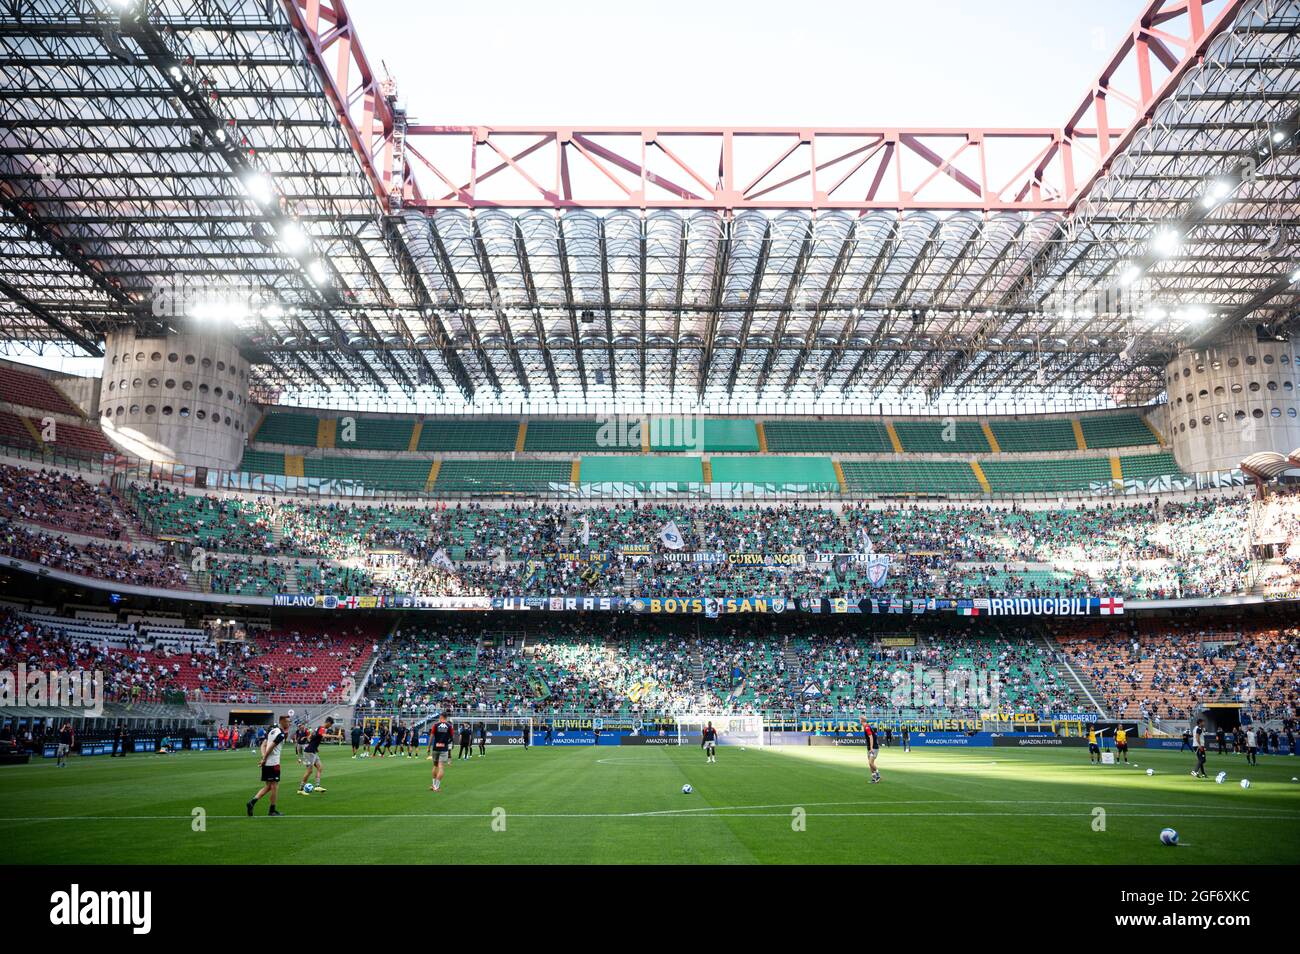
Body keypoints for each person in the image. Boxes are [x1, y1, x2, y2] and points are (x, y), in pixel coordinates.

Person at [247, 714, 290, 817]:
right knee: (274, 787)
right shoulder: (280, 734)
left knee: (269, 786)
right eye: (287, 721)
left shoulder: (272, 731)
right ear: (282, 721)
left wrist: (263, 757)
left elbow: (263, 745)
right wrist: (264, 759)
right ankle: (272, 810)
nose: (289, 723)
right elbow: (270, 747)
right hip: (273, 763)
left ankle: (252, 802)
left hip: (267, 763)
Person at [299, 717, 333, 794]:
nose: (330, 726)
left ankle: (317, 786)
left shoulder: (317, 727)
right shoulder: (322, 728)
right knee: (309, 771)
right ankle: (300, 789)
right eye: (330, 725)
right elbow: (323, 735)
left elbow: (309, 738)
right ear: (328, 722)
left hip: (313, 751)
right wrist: (336, 736)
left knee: (320, 767)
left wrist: (314, 746)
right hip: (309, 752)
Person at [428, 712, 454, 792]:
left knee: (435, 766)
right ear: (446, 717)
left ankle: (433, 785)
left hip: (436, 748)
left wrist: (428, 747)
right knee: (441, 767)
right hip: (444, 749)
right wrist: (446, 743)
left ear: (441, 716)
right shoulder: (449, 726)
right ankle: (436, 786)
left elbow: (431, 736)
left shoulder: (435, 725)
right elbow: (451, 737)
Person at [861, 717, 881, 784]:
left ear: (862, 720)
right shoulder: (866, 727)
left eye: (859, 719)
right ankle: (874, 778)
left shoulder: (867, 727)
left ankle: (878, 775)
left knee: (870, 763)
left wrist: (871, 747)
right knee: (870, 764)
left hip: (873, 747)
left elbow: (871, 737)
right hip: (869, 747)